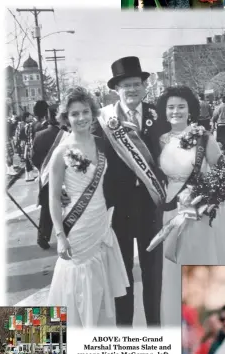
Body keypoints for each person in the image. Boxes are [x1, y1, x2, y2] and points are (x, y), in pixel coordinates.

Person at [47, 87, 129, 326]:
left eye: (85, 112)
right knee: (76, 282)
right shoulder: (61, 152)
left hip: (101, 222)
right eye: (74, 114)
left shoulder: (103, 144)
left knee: (98, 287)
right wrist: (60, 236)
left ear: (93, 114)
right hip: (76, 226)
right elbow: (53, 198)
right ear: (66, 118)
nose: (81, 118)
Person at [98, 56, 165, 326]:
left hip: (152, 206)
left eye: (137, 84)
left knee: (153, 272)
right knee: (122, 272)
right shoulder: (104, 119)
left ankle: (155, 328)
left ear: (144, 86)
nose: (133, 90)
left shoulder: (157, 115)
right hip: (119, 208)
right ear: (116, 89)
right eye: (126, 85)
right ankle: (124, 330)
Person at [156, 86, 225, 326]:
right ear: (164, 111)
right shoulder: (161, 139)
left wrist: (202, 197)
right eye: (171, 107)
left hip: (197, 212)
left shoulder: (204, 137)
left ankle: (204, 320)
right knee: (173, 265)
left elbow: (224, 174)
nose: (175, 111)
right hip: (170, 208)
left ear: (190, 110)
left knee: (197, 262)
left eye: (181, 106)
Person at [32, 105, 66, 250]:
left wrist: (43, 169)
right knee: (66, 206)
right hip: (65, 177)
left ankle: (43, 237)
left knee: (47, 208)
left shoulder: (39, 135)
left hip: (46, 177)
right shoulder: (68, 136)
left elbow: (33, 158)